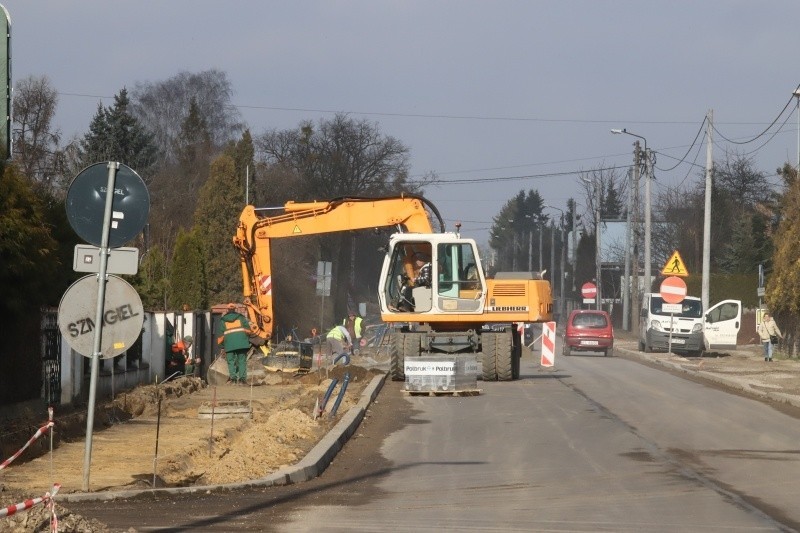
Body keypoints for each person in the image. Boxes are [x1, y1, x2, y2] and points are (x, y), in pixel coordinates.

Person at [217, 303, 252, 384]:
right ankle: (242, 380)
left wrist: (222, 346)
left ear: (227, 310)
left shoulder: (223, 320)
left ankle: (233, 379)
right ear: (235, 309)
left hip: (229, 344)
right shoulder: (241, 318)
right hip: (242, 343)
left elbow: (221, 335)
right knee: (242, 361)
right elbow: (249, 331)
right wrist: (246, 338)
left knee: (231, 361)